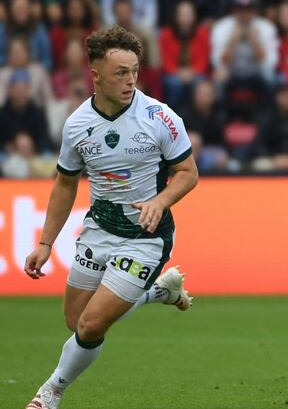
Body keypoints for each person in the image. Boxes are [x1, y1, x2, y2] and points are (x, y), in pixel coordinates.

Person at [23, 26, 198, 409]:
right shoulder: (77, 125)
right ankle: (158, 293)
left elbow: (188, 173)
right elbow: (65, 184)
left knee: (91, 326)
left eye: (134, 70)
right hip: (98, 229)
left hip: (145, 235)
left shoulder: (160, 117)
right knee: (76, 319)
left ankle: (48, 394)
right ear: (96, 74)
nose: (130, 80)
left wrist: (160, 201)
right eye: (120, 72)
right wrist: (45, 243)